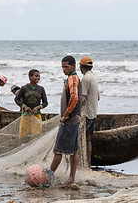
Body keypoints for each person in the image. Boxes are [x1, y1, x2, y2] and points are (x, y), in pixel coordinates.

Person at [50, 55, 82, 188]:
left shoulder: (72, 79)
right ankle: (72, 179)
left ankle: (48, 177)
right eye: (62, 67)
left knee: (58, 151)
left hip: (69, 121)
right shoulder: (72, 78)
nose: (64, 69)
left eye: (66, 66)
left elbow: (74, 97)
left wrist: (66, 115)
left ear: (74, 66)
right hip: (75, 119)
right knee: (74, 151)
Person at [79, 56, 100, 169]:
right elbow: (98, 97)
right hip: (93, 113)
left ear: (81, 67)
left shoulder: (85, 79)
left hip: (85, 114)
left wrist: (72, 110)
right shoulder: (94, 77)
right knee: (88, 139)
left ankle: (84, 165)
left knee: (83, 139)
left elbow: (82, 98)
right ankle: (88, 164)